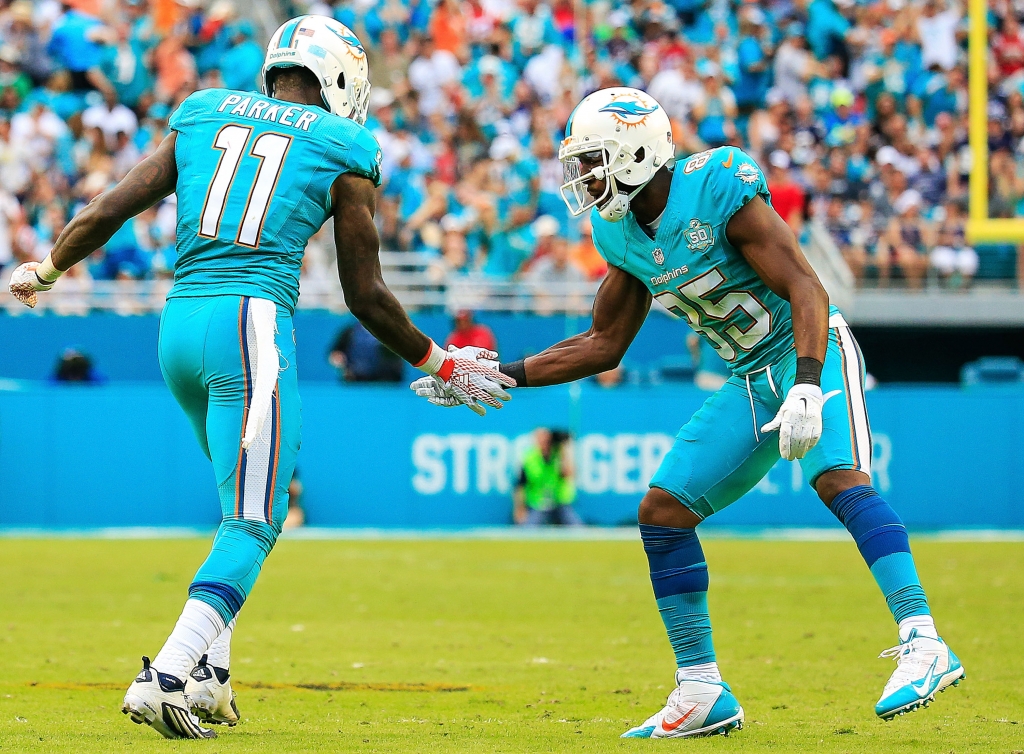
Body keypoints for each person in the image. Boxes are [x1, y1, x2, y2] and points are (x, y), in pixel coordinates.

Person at [8, 15, 514, 740]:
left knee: (231, 508)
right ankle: (171, 674)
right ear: (338, 81)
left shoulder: (206, 109)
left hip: (177, 326)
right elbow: (365, 294)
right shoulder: (344, 143)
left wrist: (48, 268)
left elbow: (112, 205)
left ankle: (211, 677)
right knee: (256, 518)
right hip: (250, 327)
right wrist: (440, 360)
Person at [413, 87, 963, 738]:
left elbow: (806, 288)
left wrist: (809, 385)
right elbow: (603, 343)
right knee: (663, 511)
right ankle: (702, 689)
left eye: (594, 161)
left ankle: (924, 638)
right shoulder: (620, 233)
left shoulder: (717, 187)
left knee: (836, 476)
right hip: (750, 375)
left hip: (806, 345)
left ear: (637, 152)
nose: (584, 178)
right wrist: (496, 372)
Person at [513, 428, 582, 526]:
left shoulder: (559, 455)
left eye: (545, 437)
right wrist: (520, 508)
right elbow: (520, 486)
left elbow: (569, 474)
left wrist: (565, 448)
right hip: (538, 504)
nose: (543, 441)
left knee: (577, 530)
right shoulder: (530, 458)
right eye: (539, 438)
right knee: (527, 530)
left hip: (560, 502)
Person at [329, 319, 405, 382]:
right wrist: (340, 362)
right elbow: (336, 353)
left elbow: (398, 356)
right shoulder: (349, 332)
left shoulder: (388, 332)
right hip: (355, 380)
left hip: (384, 382)